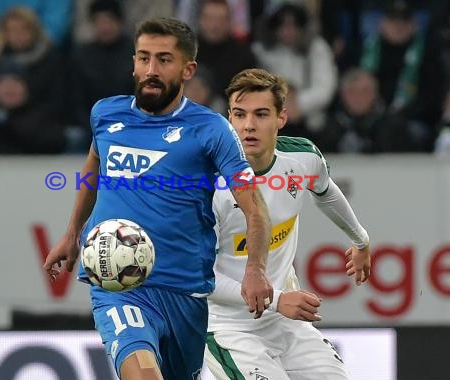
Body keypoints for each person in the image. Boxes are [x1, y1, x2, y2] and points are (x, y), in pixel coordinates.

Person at [43, 18, 273, 380]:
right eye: (143, 58)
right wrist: (72, 234)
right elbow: (93, 168)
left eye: (164, 60)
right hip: (119, 284)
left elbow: (255, 206)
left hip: (185, 291)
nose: (151, 70)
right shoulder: (106, 114)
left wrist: (255, 270)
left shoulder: (211, 130)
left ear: (187, 69)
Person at [205, 68, 371, 380]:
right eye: (239, 115)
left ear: (282, 117)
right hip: (228, 329)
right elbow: (199, 279)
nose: (249, 126)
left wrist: (360, 240)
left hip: (287, 324)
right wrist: (278, 300)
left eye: (261, 114)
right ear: (229, 117)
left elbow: (325, 191)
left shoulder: (303, 158)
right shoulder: (209, 187)